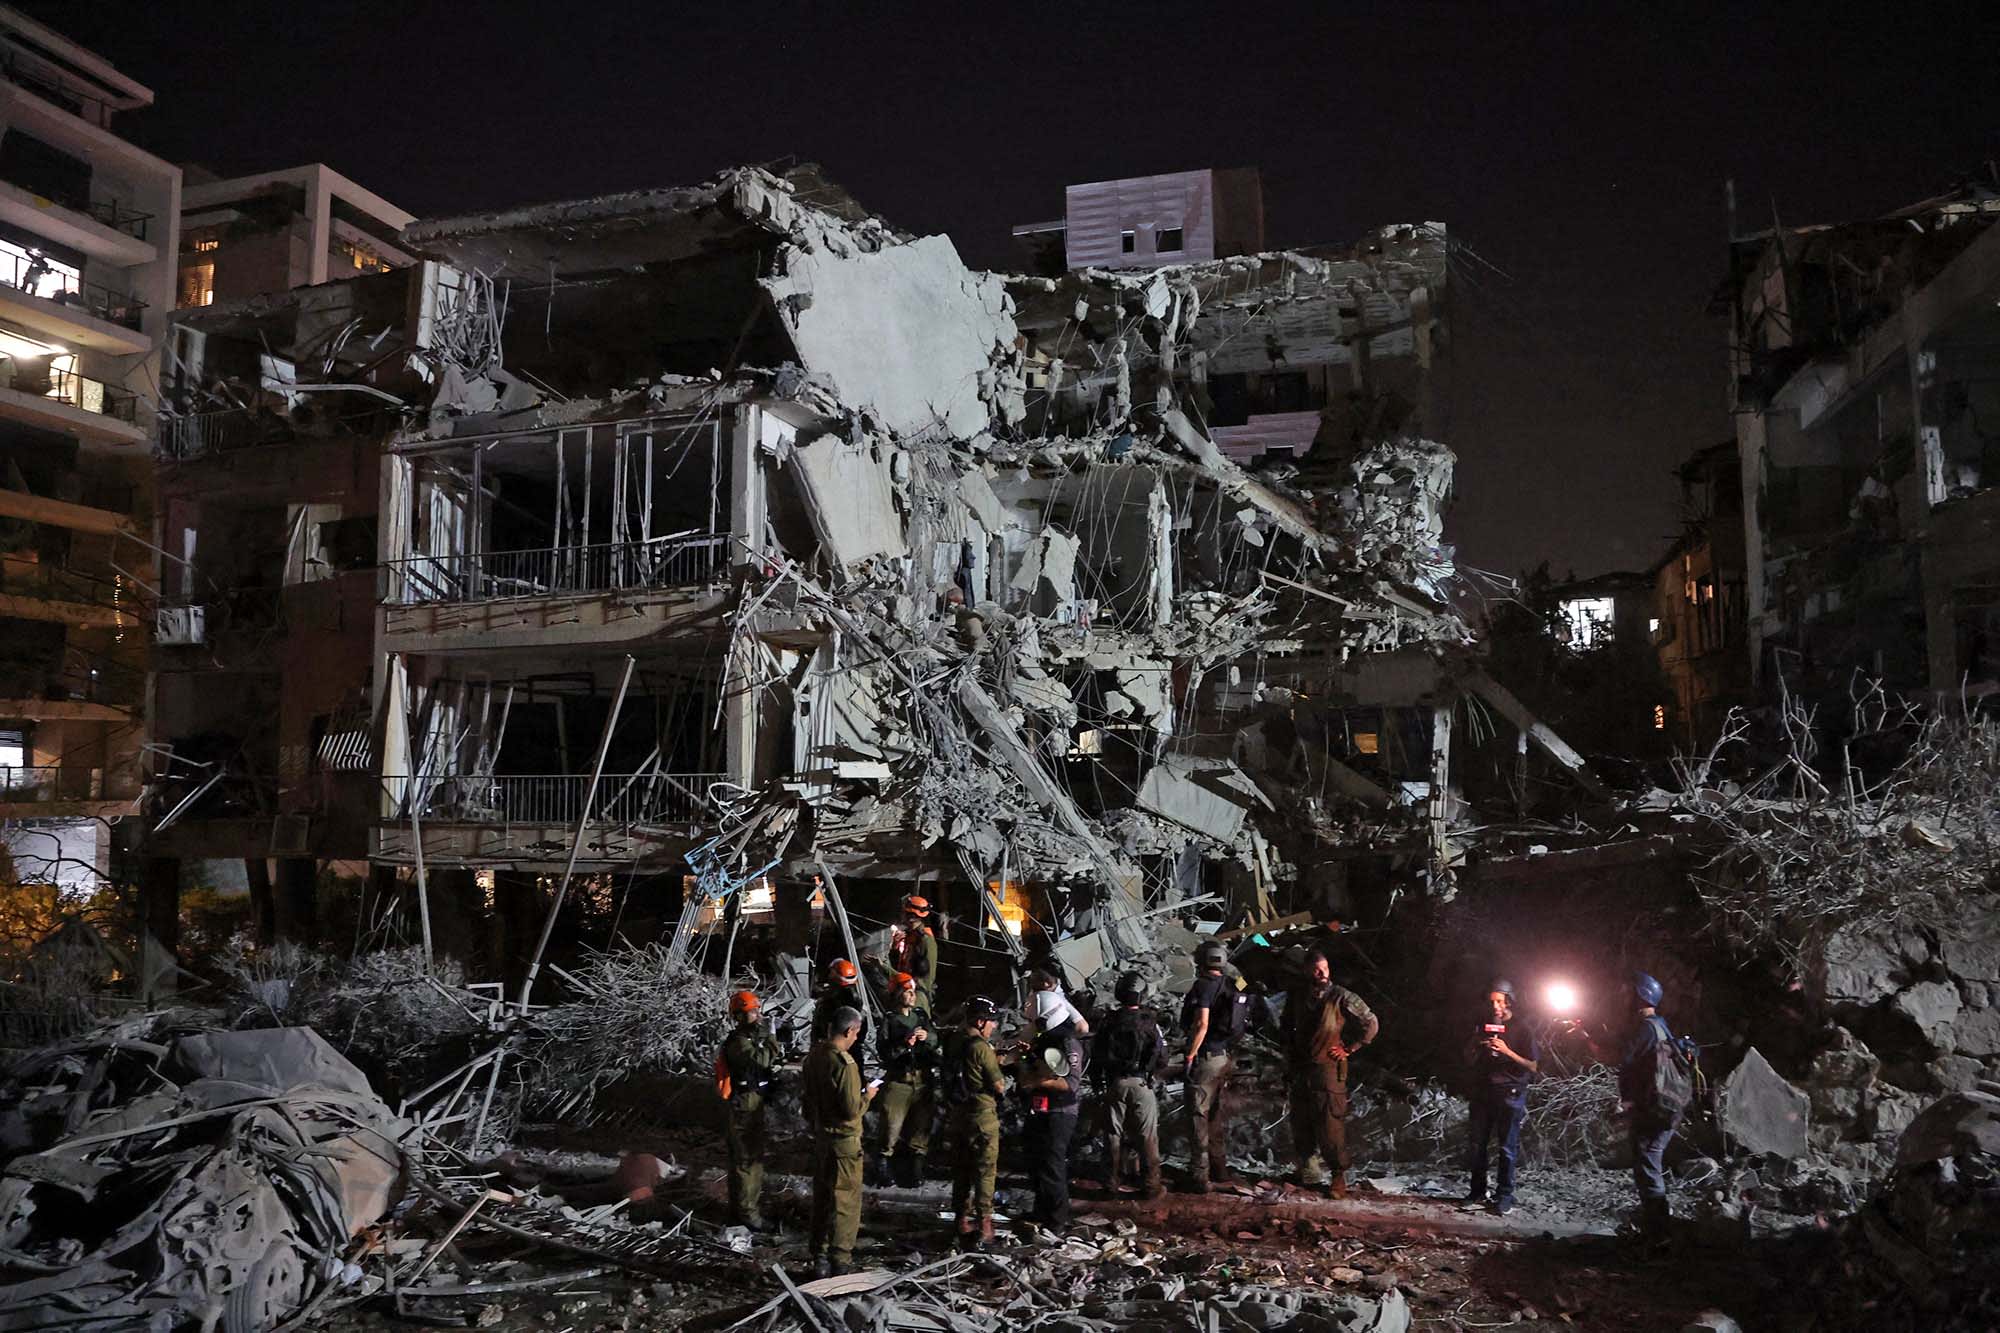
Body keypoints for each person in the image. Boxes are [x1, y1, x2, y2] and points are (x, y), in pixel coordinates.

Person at [1578, 971, 1685, 1249]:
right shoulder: (1659, 1025)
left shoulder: (1647, 1028)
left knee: (1649, 1166)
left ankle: (1660, 1235)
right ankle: (1657, 1229)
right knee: (1647, 1164)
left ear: (1640, 996)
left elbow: (1615, 1057)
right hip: (1663, 1108)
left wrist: (1585, 1040)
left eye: (1628, 992)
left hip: (1656, 1110)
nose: (1622, 996)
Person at [1280, 948, 1379, 1198]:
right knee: (1301, 1122)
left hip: (1328, 1070)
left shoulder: (1340, 997)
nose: (1322, 973)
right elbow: (1285, 1027)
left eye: (1325, 968)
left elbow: (1371, 1023)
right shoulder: (1299, 996)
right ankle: (1309, 1171)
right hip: (1302, 1068)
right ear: (1307, 971)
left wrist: (1349, 1048)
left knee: (1330, 1124)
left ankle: (1338, 1176)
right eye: (1316, 969)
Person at [802, 1005, 878, 1278]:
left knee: (822, 1197)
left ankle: (819, 1256)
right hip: (844, 1142)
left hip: (821, 1137)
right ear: (849, 1031)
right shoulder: (845, 1065)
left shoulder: (814, 1057)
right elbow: (850, 1109)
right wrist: (868, 1095)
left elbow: (807, 1102)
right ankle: (840, 1259)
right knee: (845, 1201)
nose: (856, 1038)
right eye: (856, 1033)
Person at [1463, 978, 1539, 1215]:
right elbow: (1467, 1058)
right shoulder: (1482, 1025)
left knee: (1506, 1147)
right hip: (1483, 1092)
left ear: (1509, 1001)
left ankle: (1505, 1195)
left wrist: (1507, 1051)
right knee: (1477, 1145)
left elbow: (1533, 1065)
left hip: (1510, 1093)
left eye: (1499, 1001)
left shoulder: (1523, 1028)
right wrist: (1476, 1044)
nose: (1495, 1006)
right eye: (1491, 1001)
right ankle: (1477, 1192)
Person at [1093, 970, 1167, 1198]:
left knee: (1112, 1135)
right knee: (1147, 1136)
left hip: (1115, 1083)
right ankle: (1151, 1186)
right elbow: (1162, 1056)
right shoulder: (1149, 1023)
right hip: (1141, 1083)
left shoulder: (1108, 1022)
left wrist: (1098, 1085)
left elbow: (1095, 1055)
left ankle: (1110, 1184)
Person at [1179, 940, 1246, 1191]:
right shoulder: (1231, 984)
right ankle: (1220, 1169)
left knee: (1198, 1115)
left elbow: (1201, 1024)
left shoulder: (1203, 986)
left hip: (1206, 1058)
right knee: (1216, 1116)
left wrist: (1189, 1054)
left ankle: (1199, 1176)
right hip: (1225, 1057)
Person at [1018, 988, 1086, 1231]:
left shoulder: (1068, 1043)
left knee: (1052, 1165)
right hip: (1041, 1109)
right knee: (1037, 1163)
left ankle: (1056, 1220)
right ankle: (1041, 1211)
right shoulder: (1045, 1039)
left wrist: (1036, 1082)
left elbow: (1070, 1083)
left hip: (1060, 1112)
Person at [945, 995, 1009, 1251]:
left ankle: (961, 1220)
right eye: (991, 1022)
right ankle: (985, 1226)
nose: (993, 1027)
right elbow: (998, 1085)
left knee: (961, 1170)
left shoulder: (954, 1040)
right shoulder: (981, 1048)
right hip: (982, 1115)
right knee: (984, 1170)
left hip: (958, 1114)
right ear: (981, 1022)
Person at [716, 990, 781, 1230]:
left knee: (744, 1159)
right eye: (755, 1011)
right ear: (744, 1015)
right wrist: (772, 1038)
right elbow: (762, 1059)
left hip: (751, 1099)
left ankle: (739, 1210)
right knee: (748, 1161)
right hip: (745, 1103)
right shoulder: (738, 1043)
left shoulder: (745, 1037)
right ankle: (748, 1214)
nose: (760, 1014)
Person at [872, 971, 939, 1187]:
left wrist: (927, 1038)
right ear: (898, 994)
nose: (912, 996)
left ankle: (916, 1166)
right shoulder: (890, 1020)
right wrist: (903, 1044)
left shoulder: (920, 1016)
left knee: (921, 1126)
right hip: (899, 1080)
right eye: (907, 992)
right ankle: (882, 1165)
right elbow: (884, 1051)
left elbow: (935, 1038)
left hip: (921, 1079)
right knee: (891, 1125)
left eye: (913, 992)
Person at [867, 896, 939, 1010]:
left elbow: (926, 980)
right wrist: (895, 949)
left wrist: (884, 967)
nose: (902, 917)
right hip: (901, 988)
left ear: (912, 917)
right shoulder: (909, 935)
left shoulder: (926, 941)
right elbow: (901, 965)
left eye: (905, 913)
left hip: (915, 996)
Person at [813, 958, 870, 1046]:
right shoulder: (857, 1001)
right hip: (851, 1046)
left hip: (830, 1047)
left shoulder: (830, 1002)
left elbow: (821, 1028)